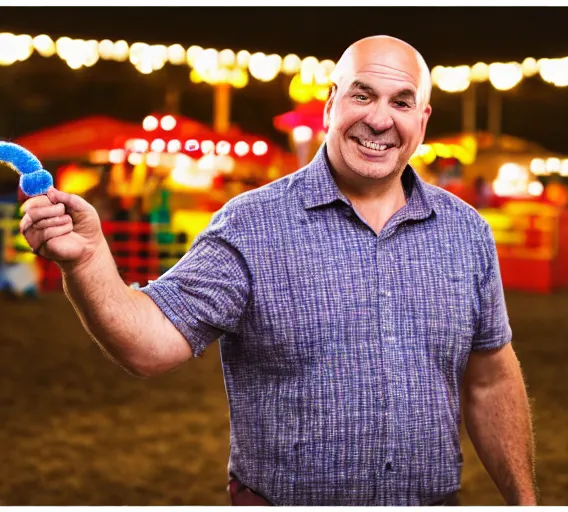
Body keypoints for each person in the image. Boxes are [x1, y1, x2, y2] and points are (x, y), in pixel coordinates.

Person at [19, 35, 537, 506]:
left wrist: (524, 501)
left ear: (422, 121)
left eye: (400, 102)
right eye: (362, 95)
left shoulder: (466, 233)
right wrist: (87, 261)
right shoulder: (252, 225)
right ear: (331, 104)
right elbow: (146, 346)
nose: (380, 119)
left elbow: (491, 378)